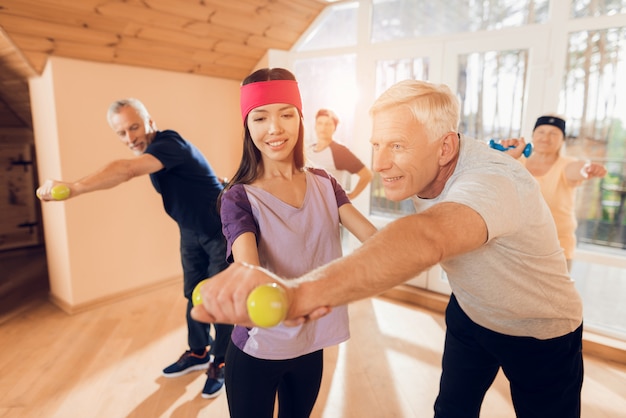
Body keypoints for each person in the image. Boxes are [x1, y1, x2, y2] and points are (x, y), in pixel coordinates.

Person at [191, 80, 585, 418]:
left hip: (538, 330)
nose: (379, 164)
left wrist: (298, 295)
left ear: (445, 148)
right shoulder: (434, 162)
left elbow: (428, 236)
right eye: (377, 144)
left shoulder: (491, 182)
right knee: (451, 410)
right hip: (471, 313)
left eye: (396, 145)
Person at [36, 98, 232, 399]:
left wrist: (74, 187)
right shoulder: (157, 152)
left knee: (218, 300)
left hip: (219, 230)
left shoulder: (169, 143)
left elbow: (126, 170)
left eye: (134, 127)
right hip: (190, 231)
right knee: (192, 293)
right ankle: (197, 353)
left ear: (149, 121)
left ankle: (220, 362)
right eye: (121, 133)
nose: (130, 138)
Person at [218, 68, 377, 418]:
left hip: (310, 342)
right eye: (260, 117)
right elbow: (248, 270)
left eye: (286, 114)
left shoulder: (325, 183)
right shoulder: (238, 197)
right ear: (248, 126)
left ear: (300, 119)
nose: (274, 128)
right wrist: (278, 297)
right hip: (259, 346)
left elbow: (375, 242)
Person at [515, 115, 607, 270]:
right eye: (541, 132)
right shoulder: (517, 162)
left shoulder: (567, 164)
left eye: (553, 133)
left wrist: (587, 169)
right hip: (516, 245)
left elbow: (577, 169)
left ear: (562, 140)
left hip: (557, 247)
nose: (546, 138)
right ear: (533, 135)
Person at [306, 108, 373, 200]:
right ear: (315, 126)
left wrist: (350, 196)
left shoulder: (339, 151)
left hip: (330, 208)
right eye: (320, 123)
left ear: (335, 127)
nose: (323, 127)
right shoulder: (308, 150)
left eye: (328, 124)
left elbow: (367, 175)